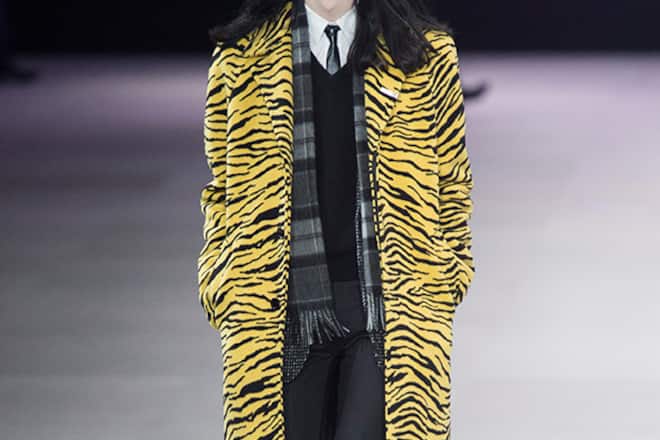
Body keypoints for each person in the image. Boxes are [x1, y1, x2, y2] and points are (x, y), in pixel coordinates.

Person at [197, 0, 476, 438]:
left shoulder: (425, 55)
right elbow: (222, 190)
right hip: (281, 312)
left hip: (390, 311)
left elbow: (453, 183)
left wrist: (446, 276)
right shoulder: (241, 59)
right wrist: (222, 281)